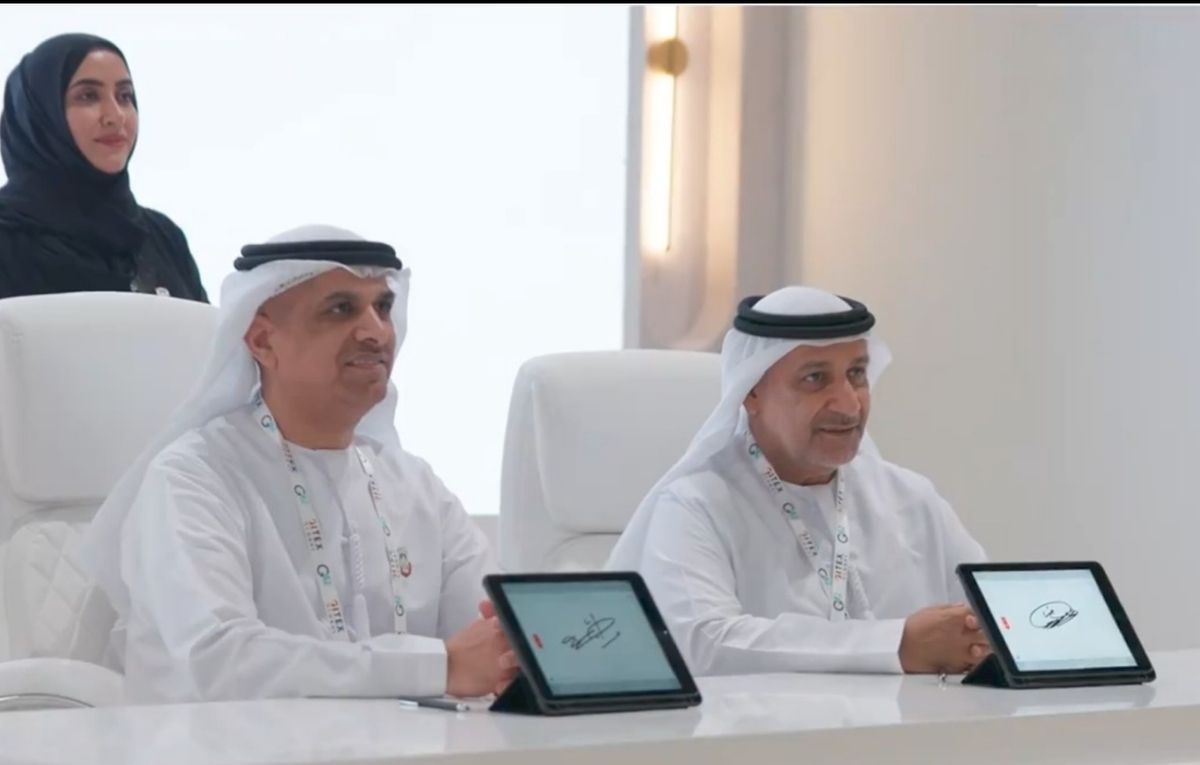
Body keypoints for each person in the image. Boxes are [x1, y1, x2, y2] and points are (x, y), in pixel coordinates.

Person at [81, 224, 512, 703]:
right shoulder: (195, 478)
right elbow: (217, 661)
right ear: (263, 341)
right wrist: (438, 667)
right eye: (341, 309)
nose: (375, 332)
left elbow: (495, 632)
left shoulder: (414, 485)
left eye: (383, 307)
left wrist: (514, 655)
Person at [607, 286, 989, 677]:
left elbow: (994, 612)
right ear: (751, 392)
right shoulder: (696, 505)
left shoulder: (910, 497)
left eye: (856, 374)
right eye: (815, 378)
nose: (849, 404)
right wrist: (897, 645)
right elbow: (703, 643)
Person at [0, 33, 207, 300]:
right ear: (40, 115)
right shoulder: (8, 238)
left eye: (124, 96)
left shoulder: (162, 238)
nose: (115, 116)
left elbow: (201, 327)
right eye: (88, 96)